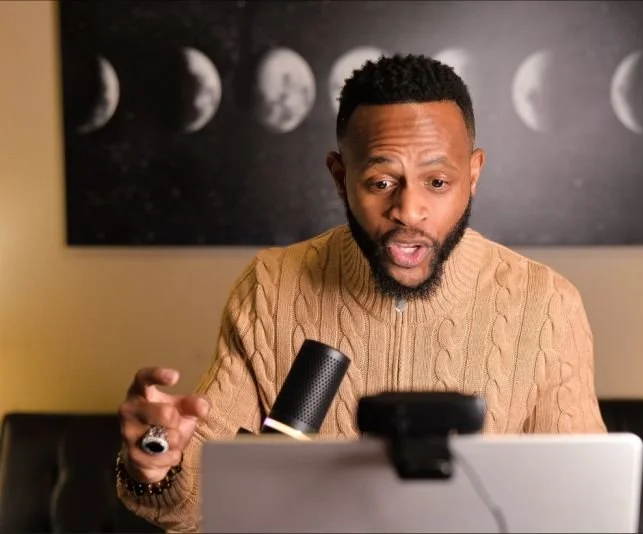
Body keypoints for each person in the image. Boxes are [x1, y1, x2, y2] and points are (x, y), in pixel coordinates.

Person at [116, 53, 607, 533]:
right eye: (381, 181)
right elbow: (199, 509)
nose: (409, 210)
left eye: (437, 181)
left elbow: (587, 510)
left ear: (473, 175)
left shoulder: (547, 305)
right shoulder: (269, 287)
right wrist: (155, 470)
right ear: (339, 177)